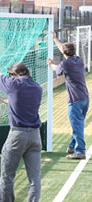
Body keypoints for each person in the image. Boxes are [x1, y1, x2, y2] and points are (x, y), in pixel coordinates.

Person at [0, 41, 42, 202]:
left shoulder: (14, 84)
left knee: (7, 175)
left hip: (17, 135)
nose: (10, 77)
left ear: (16, 74)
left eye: (11, 75)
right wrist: (2, 98)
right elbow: (19, 104)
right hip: (35, 137)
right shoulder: (37, 88)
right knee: (35, 179)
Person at [47, 32, 90, 160]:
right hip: (85, 99)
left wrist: (50, 64)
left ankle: (80, 151)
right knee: (78, 124)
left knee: (77, 126)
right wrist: (55, 39)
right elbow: (64, 49)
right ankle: (72, 146)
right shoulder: (78, 60)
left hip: (75, 100)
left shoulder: (66, 64)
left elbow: (56, 69)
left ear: (65, 54)